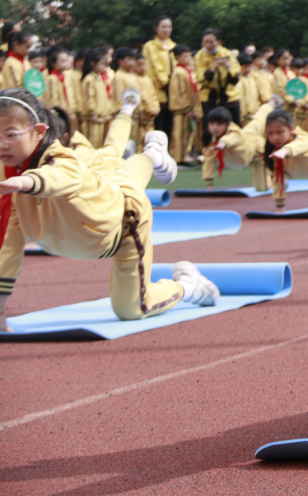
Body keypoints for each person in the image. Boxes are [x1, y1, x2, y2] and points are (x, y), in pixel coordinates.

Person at [0, 89, 219, 333]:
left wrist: (25, 182)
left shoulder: (60, 158)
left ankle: (189, 286)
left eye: (11, 134)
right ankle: (152, 154)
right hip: (107, 188)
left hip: (124, 222)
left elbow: (63, 175)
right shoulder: (9, 177)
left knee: (132, 309)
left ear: (40, 131)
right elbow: (7, 249)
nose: (2, 144)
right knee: (125, 176)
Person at [202, 103, 272, 191]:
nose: (215, 128)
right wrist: (209, 184)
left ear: (228, 124)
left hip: (256, 151)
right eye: (212, 124)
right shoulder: (210, 143)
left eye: (219, 124)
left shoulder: (234, 132)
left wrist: (222, 144)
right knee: (256, 123)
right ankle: (271, 104)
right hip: (246, 135)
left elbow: (231, 138)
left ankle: (271, 104)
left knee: (262, 188)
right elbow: (208, 161)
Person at [195, 29, 241, 145]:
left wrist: (228, 67)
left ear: (219, 42)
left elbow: (235, 79)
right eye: (206, 42)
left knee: (234, 125)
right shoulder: (199, 56)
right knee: (210, 127)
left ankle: (234, 152)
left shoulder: (228, 54)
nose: (209, 45)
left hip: (229, 97)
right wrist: (212, 69)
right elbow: (200, 80)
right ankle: (207, 152)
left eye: (212, 42)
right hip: (209, 98)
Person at [142, 15, 177, 138]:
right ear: (156, 28)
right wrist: (167, 84)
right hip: (158, 90)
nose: (167, 29)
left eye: (169, 27)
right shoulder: (150, 46)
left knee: (170, 124)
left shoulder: (174, 46)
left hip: (173, 91)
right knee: (157, 124)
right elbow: (154, 67)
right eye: (163, 27)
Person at [167, 45, 201, 163]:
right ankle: (179, 158)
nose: (189, 58)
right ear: (177, 57)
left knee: (186, 134)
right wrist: (187, 107)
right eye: (185, 56)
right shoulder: (179, 72)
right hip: (182, 109)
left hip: (187, 109)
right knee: (180, 134)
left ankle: (184, 156)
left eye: (189, 56)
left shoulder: (186, 71)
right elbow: (180, 92)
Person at [82, 47, 115, 148]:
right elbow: (88, 97)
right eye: (101, 64)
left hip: (102, 116)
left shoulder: (100, 78)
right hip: (94, 117)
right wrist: (92, 112)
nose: (103, 67)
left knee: (101, 143)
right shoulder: (89, 79)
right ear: (92, 64)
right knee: (93, 142)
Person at [236, 54, 262, 126]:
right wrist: (243, 114)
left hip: (254, 113)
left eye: (249, 66)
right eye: (245, 67)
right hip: (245, 116)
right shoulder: (239, 80)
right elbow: (241, 99)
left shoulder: (252, 78)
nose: (248, 69)